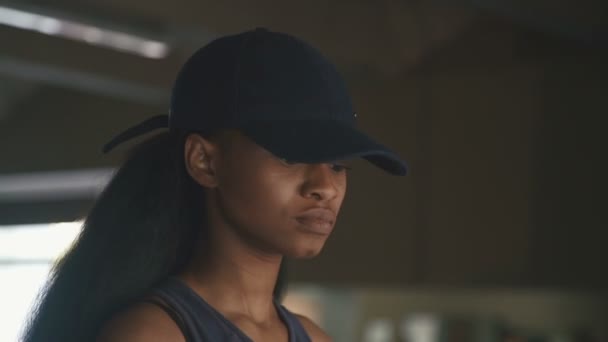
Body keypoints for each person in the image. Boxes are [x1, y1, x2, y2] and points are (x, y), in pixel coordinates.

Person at [22, 28, 407, 342]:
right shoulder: (152, 335)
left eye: (339, 165)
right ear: (204, 161)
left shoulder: (313, 338)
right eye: (291, 155)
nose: (325, 186)